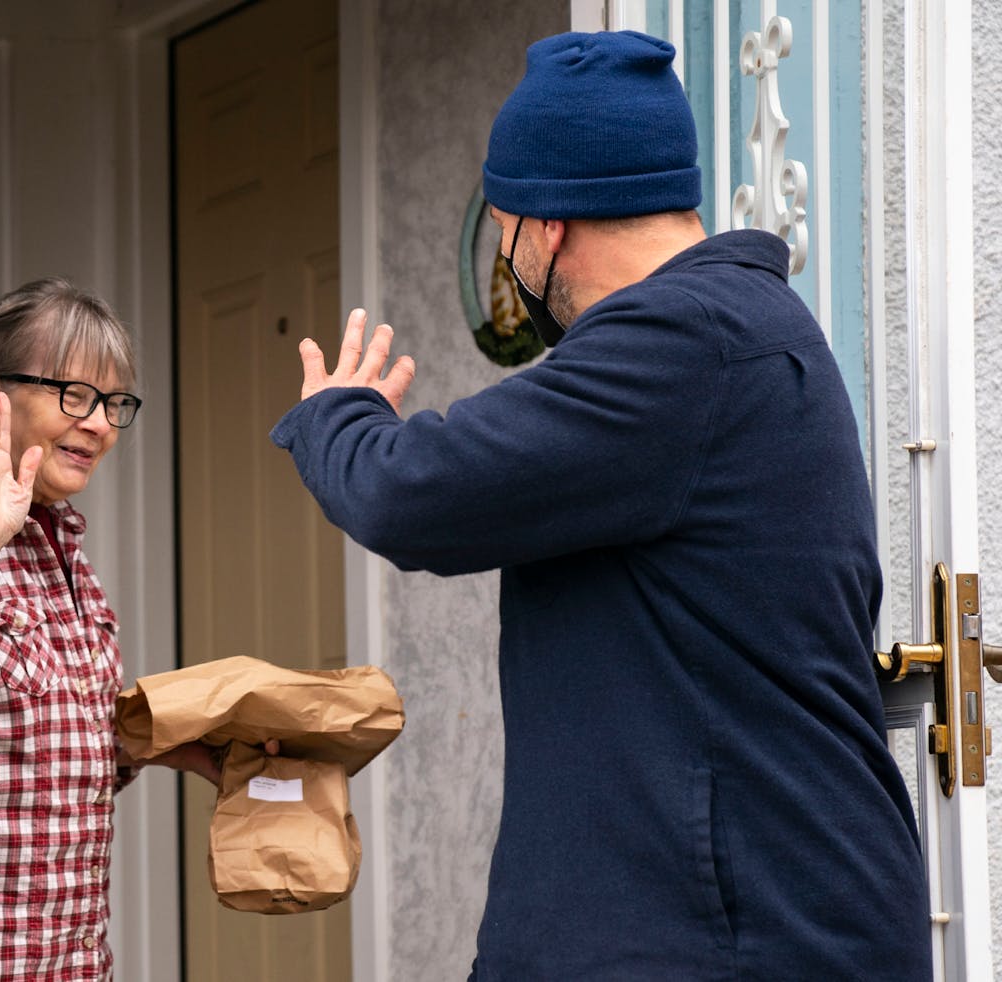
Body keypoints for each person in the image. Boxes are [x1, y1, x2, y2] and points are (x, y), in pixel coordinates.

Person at [270, 30, 931, 981]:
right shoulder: (736, 335)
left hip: (737, 939)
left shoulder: (686, 343)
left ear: (547, 226)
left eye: (503, 233)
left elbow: (413, 495)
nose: (508, 262)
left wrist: (335, 416)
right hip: (738, 920)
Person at [0, 277, 218, 981]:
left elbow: (53, 746)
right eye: (72, 395)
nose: (101, 423)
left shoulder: (67, 548)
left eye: (112, 403)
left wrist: (173, 745)